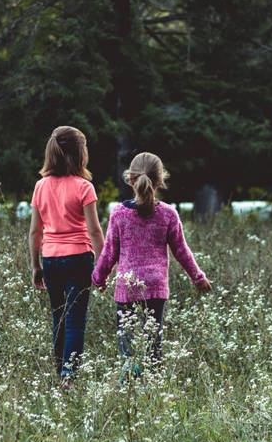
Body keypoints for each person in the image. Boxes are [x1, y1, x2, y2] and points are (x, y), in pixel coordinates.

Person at [91, 152, 212, 379]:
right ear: (159, 181)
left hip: (127, 285)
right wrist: (198, 277)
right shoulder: (168, 214)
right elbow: (181, 251)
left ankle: (130, 376)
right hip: (155, 286)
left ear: (130, 180)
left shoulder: (119, 213)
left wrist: (99, 277)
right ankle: (153, 382)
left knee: (126, 337)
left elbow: (110, 252)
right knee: (152, 339)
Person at [29, 126, 105, 386]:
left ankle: (60, 372)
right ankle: (68, 377)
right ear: (79, 154)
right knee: (75, 321)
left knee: (58, 317)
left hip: (50, 259)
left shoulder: (40, 186)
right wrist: (104, 266)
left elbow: (34, 232)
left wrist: (35, 266)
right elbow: (94, 230)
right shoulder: (84, 187)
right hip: (79, 258)